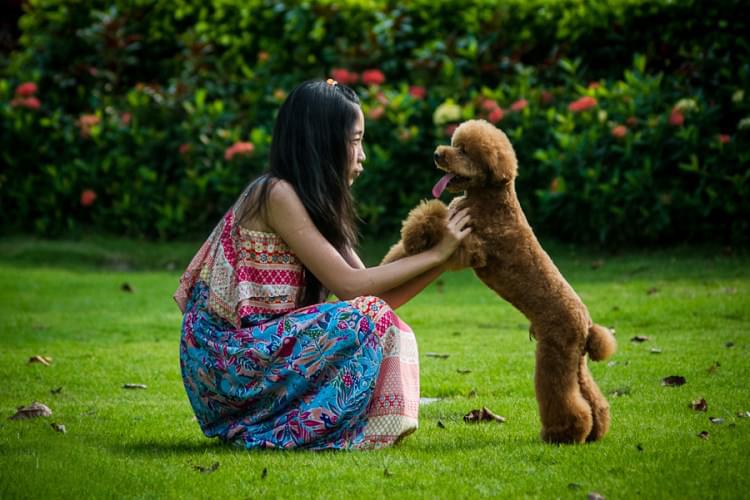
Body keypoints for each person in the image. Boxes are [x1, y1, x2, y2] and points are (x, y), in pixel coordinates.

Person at [174, 79, 471, 450]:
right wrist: (436, 254)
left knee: (374, 319)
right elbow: (351, 286)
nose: (363, 155)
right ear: (323, 141)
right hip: (225, 363)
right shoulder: (274, 194)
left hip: (259, 354)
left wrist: (447, 260)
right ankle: (311, 428)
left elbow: (373, 297)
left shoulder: (318, 207)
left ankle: (317, 424)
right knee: (365, 320)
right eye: (356, 140)